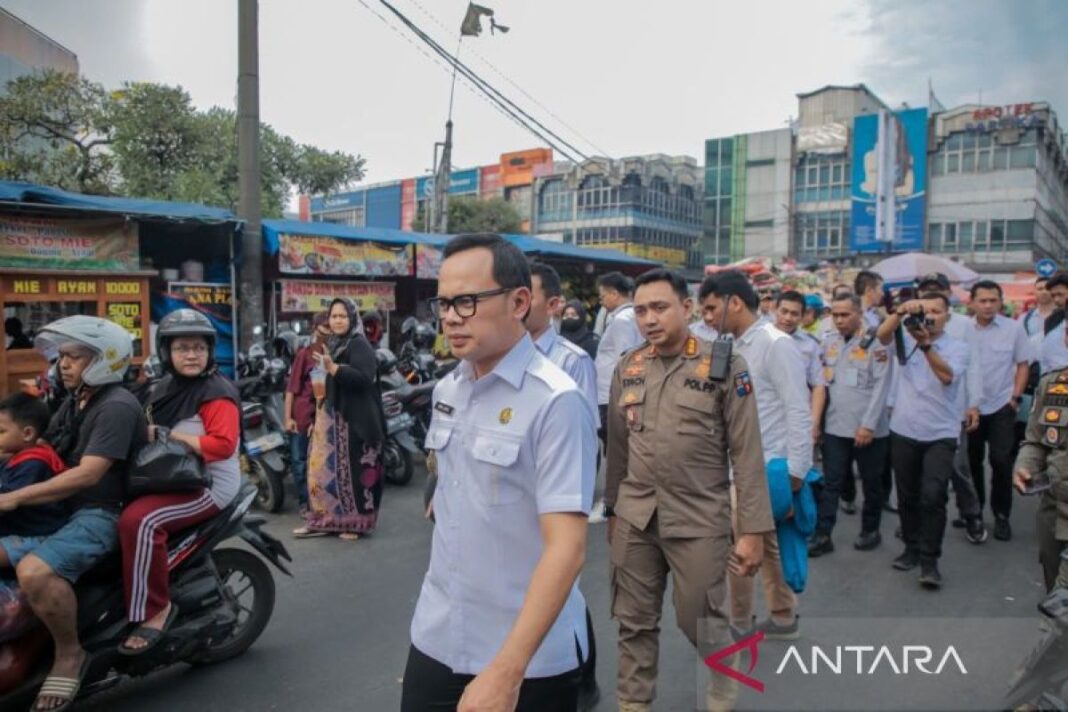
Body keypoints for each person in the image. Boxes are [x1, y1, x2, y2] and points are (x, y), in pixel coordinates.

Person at [402, 234, 595, 712]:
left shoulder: (557, 400)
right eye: (444, 303)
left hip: (526, 657)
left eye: (466, 301)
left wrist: (507, 672)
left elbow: (567, 549)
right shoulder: (450, 387)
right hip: (438, 633)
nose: (450, 317)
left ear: (519, 302)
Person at [605, 268, 771, 712]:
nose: (649, 319)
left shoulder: (724, 364)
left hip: (698, 518)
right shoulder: (630, 366)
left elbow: (747, 452)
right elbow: (617, 447)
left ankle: (722, 668)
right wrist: (612, 511)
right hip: (637, 515)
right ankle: (633, 702)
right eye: (640, 310)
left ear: (687, 307)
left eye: (659, 307)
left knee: (697, 616)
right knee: (633, 620)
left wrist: (753, 530)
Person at [0, 316, 146, 712]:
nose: (63, 364)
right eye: (62, 356)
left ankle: (69, 653)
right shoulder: (76, 399)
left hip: (99, 513)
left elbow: (89, 473)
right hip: (67, 507)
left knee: (34, 570)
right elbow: (43, 444)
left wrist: (16, 498)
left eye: (74, 356)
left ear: (105, 360)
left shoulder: (115, 405)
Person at [117, 309, 241, 654]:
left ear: (209, 352)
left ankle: (155, 610)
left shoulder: (216, 391)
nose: (191, 355)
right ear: (166, 352)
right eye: (183, 348)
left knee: (140, 521)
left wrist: (173, 436)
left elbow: (222, 446)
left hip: (207, 484)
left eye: (199, 348)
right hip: (168, 476)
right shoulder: (161, 386)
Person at [700, 270, 811, 640]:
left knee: (739, 548)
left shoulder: (775, 344)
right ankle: (782, 615)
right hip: (740, 465)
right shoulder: (732, 344)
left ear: (735, 303)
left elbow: (798, 407)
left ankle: (740, 622)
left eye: (713, 308)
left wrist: (797, 472)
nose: (708, 317)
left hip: (765, 468)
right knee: (766, 544)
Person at [526, 262, 601, 709]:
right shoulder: (492, 353)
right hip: (512, 495)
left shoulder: (573, 361)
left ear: (553, 305)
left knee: (561, 588)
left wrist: (574, 504)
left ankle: (581, 678)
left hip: (554, 495)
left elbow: (585, 435)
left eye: (526, 295)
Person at [876, 293, 969, 589]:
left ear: (947, 316)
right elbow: (881, 335)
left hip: (940, 432)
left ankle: (930, 560)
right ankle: (911, 548)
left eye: (936, 312)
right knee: (907, 495)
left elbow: (946, 376)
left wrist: (926, 344)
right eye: (924, 311)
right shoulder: (904, 338)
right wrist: (900, 312)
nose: (929, 316)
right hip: (904, 428)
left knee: (933, 495)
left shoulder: (958, 348)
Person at [809, 294, 893, 556]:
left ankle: (870, 530)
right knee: (832, 482)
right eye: (835, 315)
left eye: (845, 315)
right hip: (836, 426)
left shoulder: (874, 343)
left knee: (871, 483)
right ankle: (823, 535)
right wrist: (818, 424)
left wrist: (868, 425)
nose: (839, 320)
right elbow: (822, 385)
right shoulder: (828, 342)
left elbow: (882, 387)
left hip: (869, 429)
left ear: (859, 314)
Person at [295, 298, 385, 540]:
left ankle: (353, 524)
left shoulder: (359, 345)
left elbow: (365, 378)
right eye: (333, 316)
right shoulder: (333, 345)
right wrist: (315, 415)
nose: (337, 321)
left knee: (352, 475)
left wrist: (334, 368)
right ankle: (321, 520)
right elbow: (324, 384)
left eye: (342, 316)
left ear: (352, 318)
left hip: (354, 421)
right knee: (319, 471)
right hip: (330, 418)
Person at [915, 273, 986, 544]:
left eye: (937, 290)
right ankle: (919, 522)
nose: (931, 294)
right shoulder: (911, 325)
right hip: (917, 412)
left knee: (958, 467)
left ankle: (972, 515)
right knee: (920, 475)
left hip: (952, 409)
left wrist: (973, 404)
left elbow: (974, 365)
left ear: (947, 294)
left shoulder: (963, 325)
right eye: (925, 290)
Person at [965, 281, 1031, 541]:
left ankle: (1001, 514)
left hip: (1002, 405)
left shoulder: (1013, 329)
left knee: (1001, 461)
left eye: (993, 300)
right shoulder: (961, 330)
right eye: (982, 300)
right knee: (972, 462)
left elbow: (1023, 364)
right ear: (972, 303)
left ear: (1000, 302)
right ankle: (974, 512)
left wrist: (1015, 398)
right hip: (970, 407)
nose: (988, 305)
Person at [1013, 366, 1068, 593]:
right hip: (1054, 511)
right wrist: (1024, 466)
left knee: (1060, 612)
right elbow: (1035, 441)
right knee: (1054, 591)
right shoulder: (1053, 384)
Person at [0, 393, 67, 538]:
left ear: (28, 434)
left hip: (33, 531)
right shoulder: (15, 455)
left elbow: (5, 503)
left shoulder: (33, 464)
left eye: (1, 432)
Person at [284, 312, 330, 514]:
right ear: (315, 327)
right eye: (325, 325)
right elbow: (291, 389)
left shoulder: (332, 353)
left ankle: (320, 501)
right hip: (302, 417)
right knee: (300, 462)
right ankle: (305, 503)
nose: (329, 329)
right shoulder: (304, 354)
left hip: (323, 416)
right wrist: (288, 418)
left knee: (321, 463)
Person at [775, 290, 827, 444]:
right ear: (775, 310)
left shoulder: (810, 345)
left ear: (802, 316)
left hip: (797, 420)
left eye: (794, 314)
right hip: (764, 417)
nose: (788, 318)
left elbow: (818, 386)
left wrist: (814, 423)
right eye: (784, 311)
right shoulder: (761, 339)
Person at [595, 272, 642, 435]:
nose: (601, 302)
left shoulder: (622, 319)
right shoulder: (630, 315)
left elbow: (626, 357)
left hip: (612, 394)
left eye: (602, 297)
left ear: (614, 294)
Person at [1023, 277, 1055, 351]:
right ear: (1034, 292)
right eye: (1040, 289)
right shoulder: (1025, 318)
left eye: (1048, 288)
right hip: (1033, 360)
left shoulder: (1064, 316)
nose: (1044, 292)